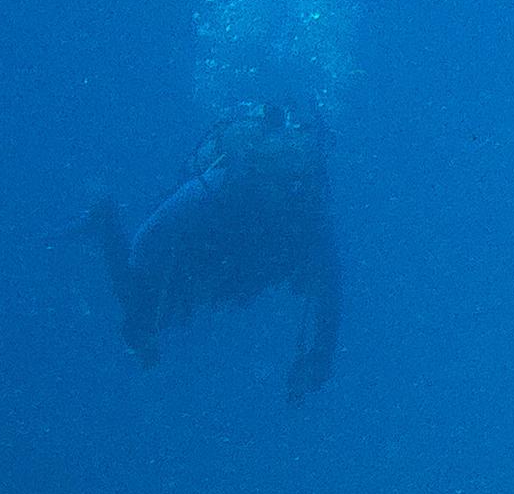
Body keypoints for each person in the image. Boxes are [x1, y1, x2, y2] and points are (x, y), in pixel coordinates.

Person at [81, 99, 342, 398]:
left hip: (204, 263)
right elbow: (331, 293)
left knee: (139, 308)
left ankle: (106, 217)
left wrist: (320, 361)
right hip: (205, 265)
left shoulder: (245, 185)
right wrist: (320, 360)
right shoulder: (303, 210)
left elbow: (155, 229)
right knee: (139, 312)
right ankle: (107, 216)